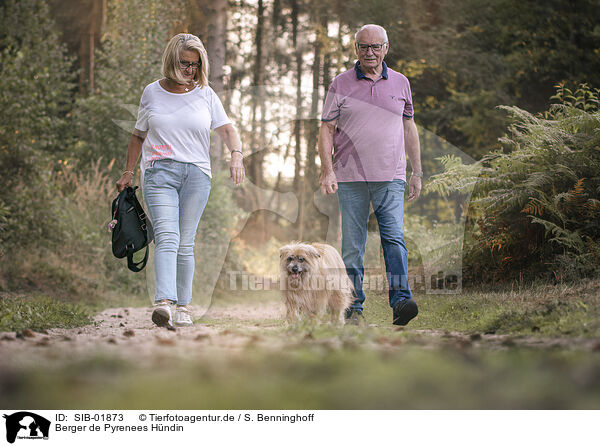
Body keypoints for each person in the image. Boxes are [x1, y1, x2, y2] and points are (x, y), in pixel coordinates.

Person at [116, 33, 244, 327]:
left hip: (197, 175)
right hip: (159, 171)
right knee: (167, 236)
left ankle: (184, 306)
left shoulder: (206, 94)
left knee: (186, 243)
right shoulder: (152, 92)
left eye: (196, 65)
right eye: (185, 64)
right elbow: (138, 135)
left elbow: (227, 130)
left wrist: (236, 155)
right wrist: (128, 172)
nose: (190, 70)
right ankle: (164, 303)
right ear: (172, 61)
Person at [317, 24, 422, 326]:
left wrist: (417, 171)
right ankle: (353, 308)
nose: (370, 52)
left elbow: (409, 127)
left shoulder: (401, 83)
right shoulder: (340, 83)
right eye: (364, 47)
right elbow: (326, 128)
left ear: (386, 48)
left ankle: (401, 303)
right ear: (356, 49)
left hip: (391, 175)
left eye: (376, 46)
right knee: (353, 244)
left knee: (393, 238)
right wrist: (327, 170)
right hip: (350, 177)